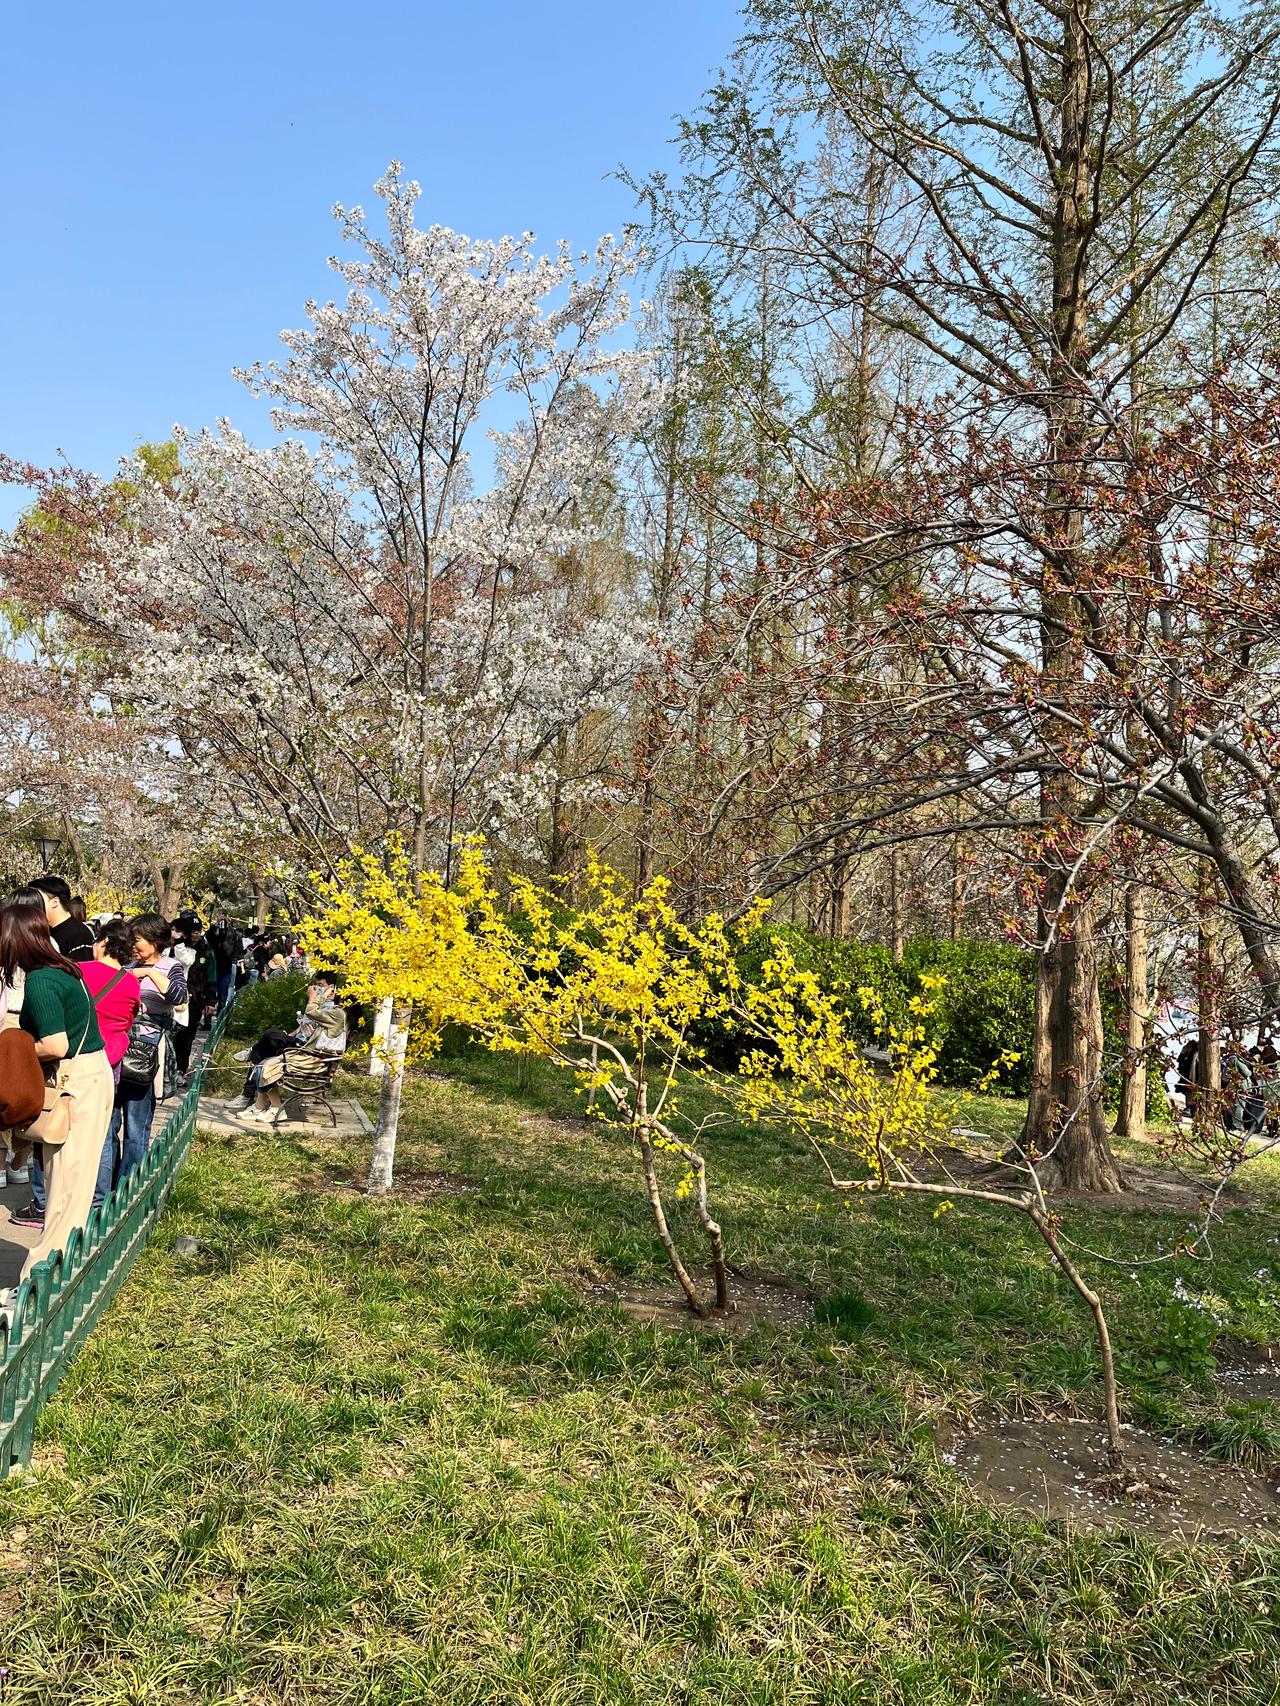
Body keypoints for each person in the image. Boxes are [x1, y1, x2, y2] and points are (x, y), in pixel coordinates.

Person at [0, 889, 113, 1289]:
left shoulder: (42, 981)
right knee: (73, 1189)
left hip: (75, 1083)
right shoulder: (65, 968)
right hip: (90, 1077)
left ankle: (36, 1286)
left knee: (64, 1192)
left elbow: (56, 1045)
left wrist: (12, 1049)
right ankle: (64, 1276)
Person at [107, 914, 187, 1185]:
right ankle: (104, 1187)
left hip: (146, 1053)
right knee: (110, 1123)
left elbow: (179, 998)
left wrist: (151, 973)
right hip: (118, 1048)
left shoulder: (171, 967)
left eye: (137, 940)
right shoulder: (125, 965)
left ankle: (127, 1186)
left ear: (154, 941)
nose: (133, 945)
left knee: (136, 1122)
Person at [81, 920, 144, 1208]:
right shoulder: (130, 982)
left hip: (80, 1056)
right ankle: (99, 1200)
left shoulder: (80, 971)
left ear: (103, 941)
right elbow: (129, 1021)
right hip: (111, 1061)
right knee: (104, 1131)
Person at [228, 973, 347, 1124]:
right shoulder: (324, 1008)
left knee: (269, 1049)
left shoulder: (335, 1012)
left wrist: (314, 998)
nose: (316, 989)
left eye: (321, 986)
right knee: (266, 1054)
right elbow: (305, 1028)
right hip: (304, 1050)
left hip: (310, 1057)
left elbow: (311, 1012)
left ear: (333, 989)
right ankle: (259, 1105)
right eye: (315, 985)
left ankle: (273, 1106)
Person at [31, 875, 94, 963]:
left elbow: (82, 973)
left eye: (38, 899)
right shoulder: (44, 930)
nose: (34, 903)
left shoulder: (79, 936)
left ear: (55, 902)